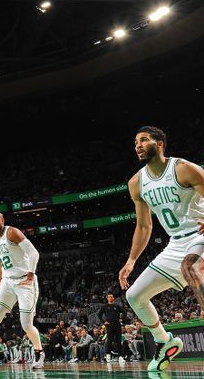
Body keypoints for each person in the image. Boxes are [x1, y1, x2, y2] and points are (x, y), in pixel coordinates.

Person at [118, 126, 204, 372]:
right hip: (175, 243)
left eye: (144, 140)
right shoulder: (136, 183)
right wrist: (132, 259)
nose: (138, 145)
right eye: (135, 141)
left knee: (190, 266)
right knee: (134, 296)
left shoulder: (183, 168)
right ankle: (164, 341)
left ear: (160, 144)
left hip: (200, 234)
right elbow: (144, 226)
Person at [0, 212, 45, 370]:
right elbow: (1, 262)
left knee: (26, 324)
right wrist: (1, 280)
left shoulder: (11, 232)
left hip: (24, 281)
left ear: (2, 220)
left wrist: (31, 275)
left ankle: (40, 352)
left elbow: (34, 253)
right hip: (7, 281)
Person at [96, 293, 128, 363]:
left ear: (113, 298)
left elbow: (125, 312)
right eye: (109, 297)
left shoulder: (117, 306)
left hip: (117, 325)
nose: (110, 298)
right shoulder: (105, 306)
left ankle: (120, 356)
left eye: (111, 297)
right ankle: (108, 355)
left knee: (118, 340)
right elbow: (99, 315)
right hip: (109, 325)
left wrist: (122, 319)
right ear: (107, 298)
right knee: (109, 340)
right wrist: (104, 322)